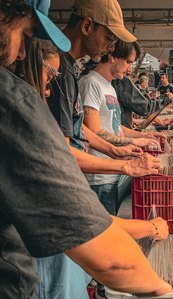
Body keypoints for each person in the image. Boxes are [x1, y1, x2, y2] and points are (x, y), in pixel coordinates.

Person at [0, 1, 172, 299]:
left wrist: (121, 151)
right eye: (25, 33)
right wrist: (163, 290)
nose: (20, 55)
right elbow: (103, 253)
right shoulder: (12, 103)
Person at [47, 0, 161, 178]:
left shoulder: (68, 68)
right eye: (109, 38)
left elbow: (77, 128)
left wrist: (114, 150)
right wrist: (124, 166)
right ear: (86, 26)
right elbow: (63, 150)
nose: (112, 48)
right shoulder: (59, 70)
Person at [79, 40, 163, 215]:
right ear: (112, 56)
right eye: (128, 61)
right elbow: (93, 131)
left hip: (114, 171)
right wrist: (133, 141)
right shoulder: (90, 83)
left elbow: (116, 126)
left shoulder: (108, 86)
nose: (130, 68)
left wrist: (145, 138)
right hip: (99, 177)